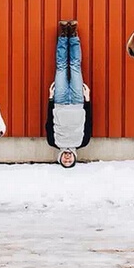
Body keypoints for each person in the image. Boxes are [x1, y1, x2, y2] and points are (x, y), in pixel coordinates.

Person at [46, 20, 92, 168]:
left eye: (64, 161)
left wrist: (51, 99)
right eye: (69, 161)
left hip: (59, 101)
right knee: (75, 66)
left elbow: (49, 122)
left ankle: (63, 35)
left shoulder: (53, 142)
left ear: (60, 158)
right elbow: (88, 122)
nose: (67, 158)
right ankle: (73, 35)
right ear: (74, 158)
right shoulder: (82, 142)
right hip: (78, 101)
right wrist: (88, 100)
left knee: (61, 67)